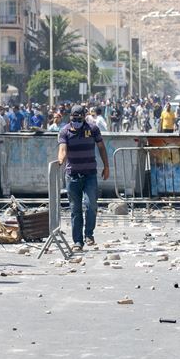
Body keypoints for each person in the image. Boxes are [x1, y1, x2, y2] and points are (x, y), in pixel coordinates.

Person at [57, 105, 109, 252]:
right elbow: (62, 149)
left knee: (91, 205)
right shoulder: (65, 131)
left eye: (79, 119)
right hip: (72, 176)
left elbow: (101, 147)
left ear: (84, 117)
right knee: (75, 210)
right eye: (74, 119)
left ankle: (89, 234)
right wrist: (60, 160)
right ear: (70, 118)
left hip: (89, 175)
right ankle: (78, 242)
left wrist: (106, 166)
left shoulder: (93, 129)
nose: (76, 122)